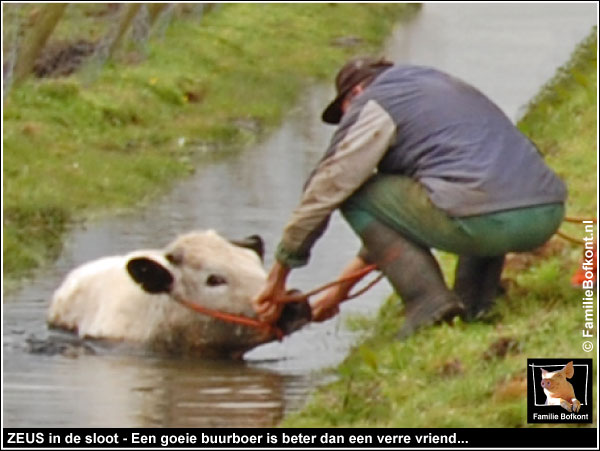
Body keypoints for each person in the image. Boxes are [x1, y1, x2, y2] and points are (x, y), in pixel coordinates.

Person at [252, 56, 567, 338]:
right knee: (468, 188)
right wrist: (337, 293)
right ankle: (476, 302)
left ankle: (427, 302)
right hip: (545, 212)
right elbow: (399, 224)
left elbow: (326, 188)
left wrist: (279, 274)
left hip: (480, 217)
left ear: (356, 95)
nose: (347, 120)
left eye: (345, 113)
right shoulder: (438, 86)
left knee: (352, 191)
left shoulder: (375, 102)